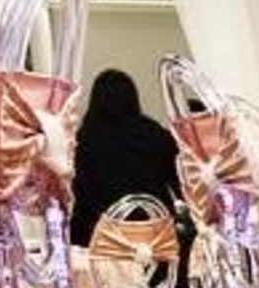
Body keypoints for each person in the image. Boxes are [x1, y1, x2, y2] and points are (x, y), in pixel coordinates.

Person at [63, 67, 181, 245]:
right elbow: (178, 181)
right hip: (154, 237)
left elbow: (76, 194)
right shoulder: (155, 134)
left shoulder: (82, 140)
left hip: (100, 240)